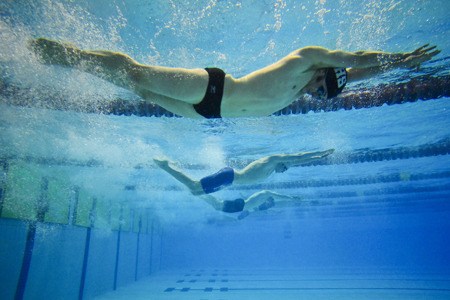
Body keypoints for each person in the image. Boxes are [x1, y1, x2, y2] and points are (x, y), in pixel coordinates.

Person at [29, 38, 440, 118]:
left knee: (137, 88)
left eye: (322, 95)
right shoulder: (306, 59)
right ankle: (69, 56)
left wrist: (397, 69)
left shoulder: (317, 81)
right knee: (136, 71)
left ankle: (84, 65)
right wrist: (400, 55)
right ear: (323, 72)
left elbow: (356, 72)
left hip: (208, 115)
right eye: (323, 86)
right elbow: (352, 57)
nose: (316, 93)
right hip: (212, 87)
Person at [153, 148, 334, 195]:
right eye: (285, 168)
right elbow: (298, 157)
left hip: (229, 181)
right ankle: (166, 165)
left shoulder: (273, 169)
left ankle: (169, 166)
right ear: (283, 162)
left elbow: (294, 163)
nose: (283, 171)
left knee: (196, 193)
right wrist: (318, 155)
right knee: (194, 187)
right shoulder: (273, 160)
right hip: (229, 176)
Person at [199, 189, 302, 219]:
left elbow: (252, 210)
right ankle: (200, 193)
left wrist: (243, 215)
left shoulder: (262, 202)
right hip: (240, 206)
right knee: (218, 205)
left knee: (218, 205)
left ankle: (201, 194)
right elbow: (279, 196)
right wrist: (292, 198)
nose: (268, 204)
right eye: (269, 202)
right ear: (269, 199)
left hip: (240, 207)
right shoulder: (266, 193)